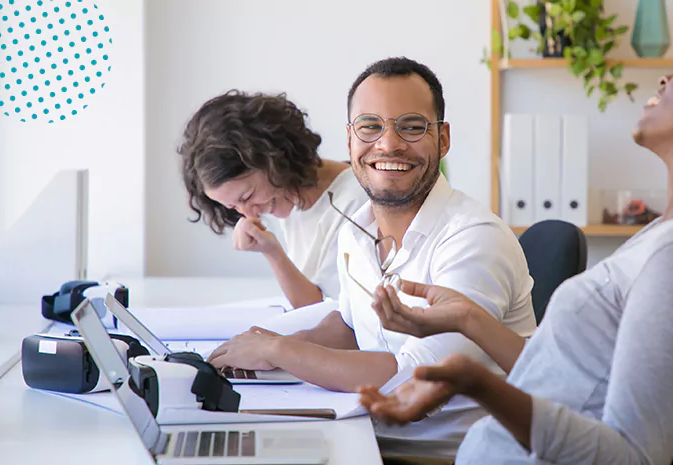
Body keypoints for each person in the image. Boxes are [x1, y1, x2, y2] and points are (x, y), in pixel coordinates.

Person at [358, 1, 673, 463]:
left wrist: (477, 383)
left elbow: (629, 457)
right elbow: (566, 384)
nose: (666, 80)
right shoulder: (672, 240)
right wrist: (469, 319)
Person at [206, 58, 537, 460]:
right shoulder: (356, 228)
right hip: (365, 437)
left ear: (443, 139)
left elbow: (414, 378)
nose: (389, 143)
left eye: (412, 126)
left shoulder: (473, 239)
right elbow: (349, 323)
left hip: (445, 456)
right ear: (349, 141)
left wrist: (282, 352)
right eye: (370, 126)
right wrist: (264, 351)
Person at [178, 90, 369, 306]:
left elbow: (322, 312)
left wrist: (272, 252)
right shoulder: (290, 200)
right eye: (234, 207)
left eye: (248, 196)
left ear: (274, 161)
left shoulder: (356, 202)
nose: (250, 213)